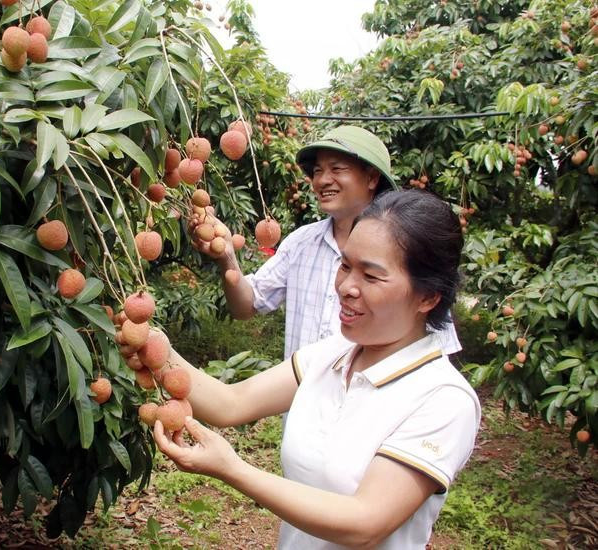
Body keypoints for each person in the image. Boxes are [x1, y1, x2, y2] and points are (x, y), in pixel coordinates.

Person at [158, 189, 481, 549]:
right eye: (345, 265)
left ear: (428, 297)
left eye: (371, 277)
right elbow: (232, 403)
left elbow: (365, 522)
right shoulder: (335, 352)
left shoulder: (443, 399)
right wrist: (155, 346)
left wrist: (232, 469)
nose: (346, 287)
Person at [193, 125, 461, 359]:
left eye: (337, 169)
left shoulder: (408, 250)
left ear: (371, 177)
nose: (322, 180)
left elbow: (435, 354)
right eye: (318, 171)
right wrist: (226, 255)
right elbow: (247, 305)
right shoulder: (301, 243)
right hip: (303, 409)